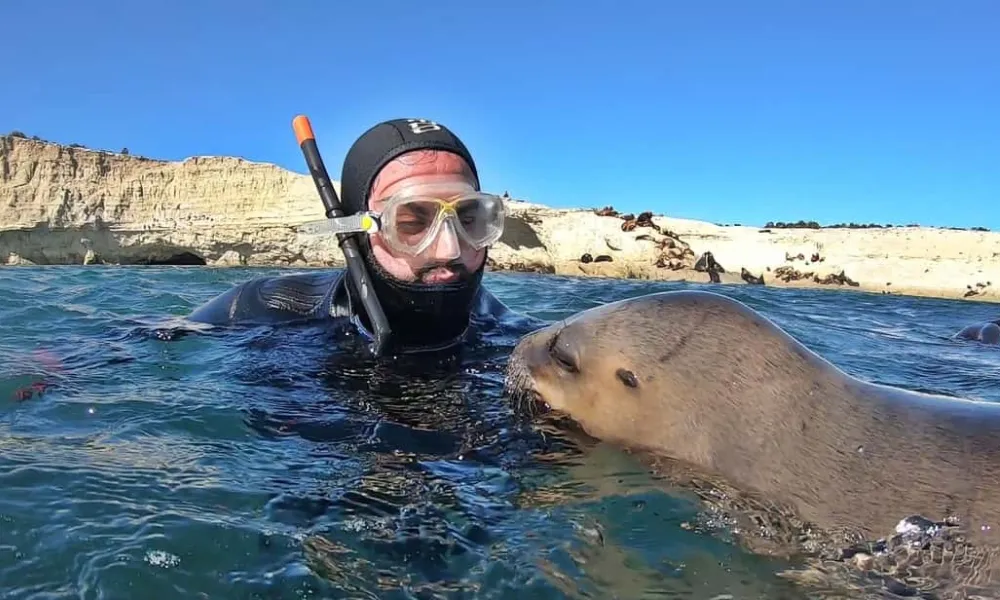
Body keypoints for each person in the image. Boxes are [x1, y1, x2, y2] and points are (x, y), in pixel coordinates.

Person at [186, 117, 530, 354]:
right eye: (411, 223)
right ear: (356, 232)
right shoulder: (263, 308)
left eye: (469, 220)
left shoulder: (513, 336)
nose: (449, 250)